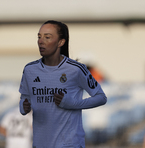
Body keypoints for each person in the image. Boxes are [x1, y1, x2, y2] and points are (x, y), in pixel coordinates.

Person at [19, 20, 107, 148]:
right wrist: (24, 107)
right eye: (39, 37)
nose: (40, 41)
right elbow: (23, 101)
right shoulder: (29, 70)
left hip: (69, 144)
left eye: (47, 37)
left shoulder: (76, 69)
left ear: (61, 42)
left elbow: (101, 97)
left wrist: (73, 104)